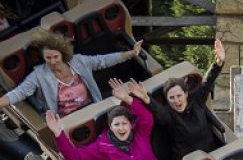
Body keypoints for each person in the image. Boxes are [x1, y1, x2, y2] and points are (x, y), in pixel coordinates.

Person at [45, 79, 160, 160]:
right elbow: (75, 156)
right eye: (116, 125)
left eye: (124, 124)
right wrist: (58, 133)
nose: (121, 128)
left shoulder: (140, 133)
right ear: (110, 126)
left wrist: (127, 98)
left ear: (131, 124)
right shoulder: (103, 146)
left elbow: (147, 117)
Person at [124, 38, 226, 160]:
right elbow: (159, 111)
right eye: (171, 98)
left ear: (186, 94)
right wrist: (146, 98)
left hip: (211, 155)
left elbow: (208, 82)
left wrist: (218, 62)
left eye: (179, 96)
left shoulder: (196, 100)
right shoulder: (169, 114)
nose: (176, 101)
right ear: (167, 99)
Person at [0, 29, 143, 115]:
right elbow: (19, 93)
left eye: (55, 57)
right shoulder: (39, 75)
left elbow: (103, 61)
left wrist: (130, 54)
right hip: (67, 121)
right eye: (48, 58)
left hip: (94, 110)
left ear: (63, 54)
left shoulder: (78, 61)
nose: (52, 61)